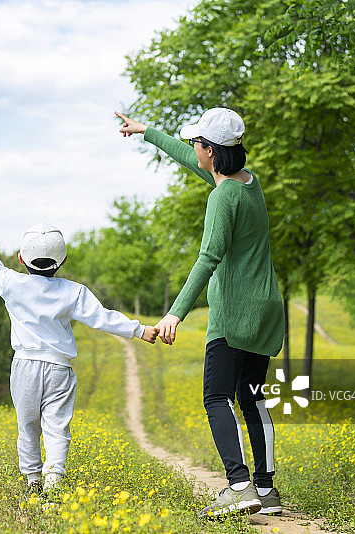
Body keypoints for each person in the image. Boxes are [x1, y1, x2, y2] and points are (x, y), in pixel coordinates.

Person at [116, 108, 285, 518]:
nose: (193, 148)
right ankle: (266, 491)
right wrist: (147, 132)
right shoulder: (248, 183)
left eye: (197, 143)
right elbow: (192, 161)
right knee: (253, 399)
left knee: (216, 397)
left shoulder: (220, 198)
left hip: (234, 310)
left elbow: (208, 257)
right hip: (266, 307)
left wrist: (176, 313)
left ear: (211, 150)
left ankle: (239, 486)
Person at [0, 221, 158, 504]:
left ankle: (33, 480)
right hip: (59, 368)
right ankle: (54, 481)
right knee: (57, 426)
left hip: (25, 367)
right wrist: (140, 330)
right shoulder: (74, 291)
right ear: (63, 261)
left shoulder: (12, 283)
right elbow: (102, 317)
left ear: (21, 259)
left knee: (28, 425)